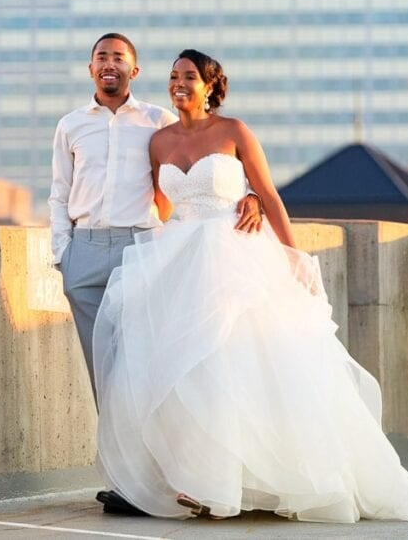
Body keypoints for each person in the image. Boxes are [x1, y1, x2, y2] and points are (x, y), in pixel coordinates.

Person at [91, 49, 408, 523]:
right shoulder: (159, 141)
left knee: (242, 364)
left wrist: (287, 248)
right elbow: (162, 207)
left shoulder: (234, 132)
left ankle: (257, 481)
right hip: (181, 260)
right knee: (189, 372)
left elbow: (269, 193)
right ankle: (196, 479)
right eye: (173, 77)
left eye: (189, 76)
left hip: (235, 255)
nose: (179, 84)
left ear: (210, 85)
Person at [49, 35, 262, 516]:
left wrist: (253, 196)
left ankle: (156, 479)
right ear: (90, 69)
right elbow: (58, 194)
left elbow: (206, 160)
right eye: (102, 58)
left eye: (119, 59)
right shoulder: (70, 126)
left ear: (134, 71)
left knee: (146, 369)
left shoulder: (157, 121)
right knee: (103, 373)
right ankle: (127, 480)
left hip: (141, 248)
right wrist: (63, 255)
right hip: (83, 253)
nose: (109, 65)